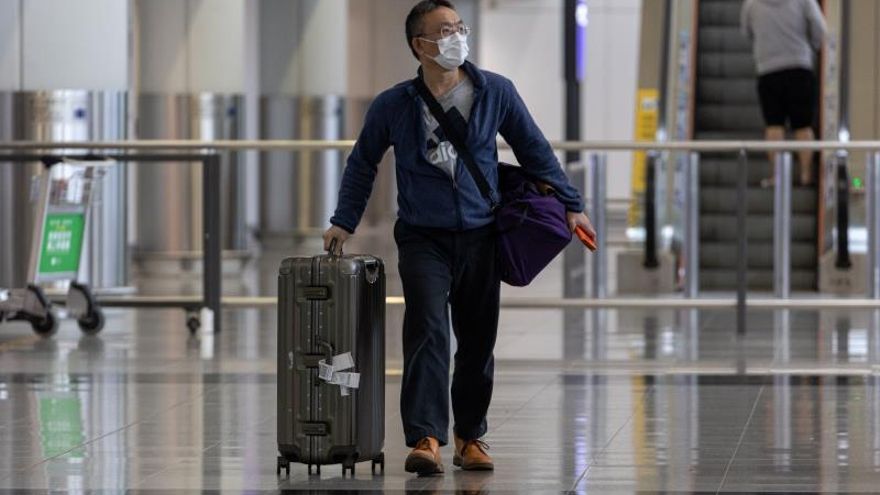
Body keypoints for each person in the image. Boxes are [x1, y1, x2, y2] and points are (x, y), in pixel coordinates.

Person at [323, 0, 595, 475]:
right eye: (444, 30)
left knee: (477, 339)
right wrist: (344, 220)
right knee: (427, 330)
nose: (455, 36)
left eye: (459, 27)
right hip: (422, 237)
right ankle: (426, 436)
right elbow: (363, 161)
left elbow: (534, 149)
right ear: (420, 45)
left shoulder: (495, 92)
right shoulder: (394, 104)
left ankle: (471, 436)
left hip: (481, 233)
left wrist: (572, 204)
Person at [741, 0, 827, 187]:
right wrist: (810, 45)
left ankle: (777, 176)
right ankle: (805, 174)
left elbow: (746, 31)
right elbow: (820, 29)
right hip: (800, 67)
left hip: (767, 70)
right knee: (803, 126)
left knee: (774, 126)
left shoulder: (751, 3)